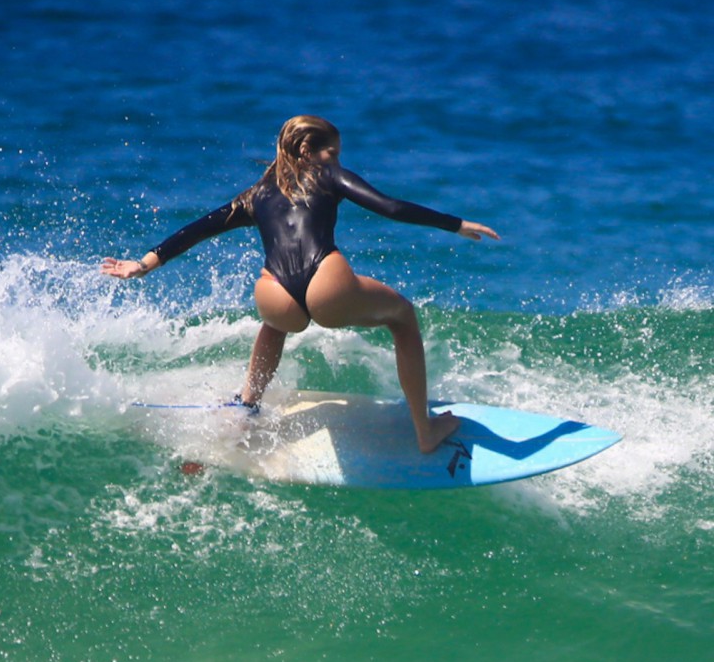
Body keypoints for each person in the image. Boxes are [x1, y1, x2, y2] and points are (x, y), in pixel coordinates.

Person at [101, 116, 499, 453]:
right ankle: (425, 431)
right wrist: (457, 224)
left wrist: (143, 264)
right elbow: (390, 206)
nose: (337, 160)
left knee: (274, 325)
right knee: (402, 316)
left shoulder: (254, 195)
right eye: (334, 153)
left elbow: (199, 228)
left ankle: (247, 406)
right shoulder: (327, 174)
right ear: (309, 150)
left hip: (274, 292)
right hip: (327, 281)